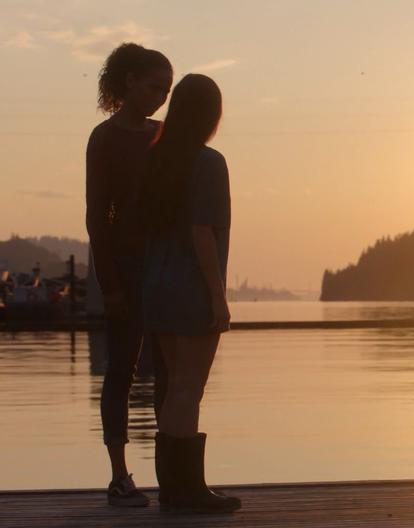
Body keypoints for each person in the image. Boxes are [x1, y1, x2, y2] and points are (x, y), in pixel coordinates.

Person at [141, 73, 240, 513]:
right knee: (187, 388)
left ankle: (174, 489)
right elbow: (203, 234)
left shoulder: (158, 158)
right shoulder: (208, 162)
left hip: (158, 286)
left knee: (175, 388)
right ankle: (188, 491)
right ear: (212, 114)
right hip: (191, 287)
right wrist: (218, 297)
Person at [86, 42, 172, 507]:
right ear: (129, 82)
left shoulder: (167, 135)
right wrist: (110, 284)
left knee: (169, 372)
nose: (161, 96)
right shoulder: (105, 138)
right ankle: (120, 476)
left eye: (167, 89)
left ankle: (175, 475)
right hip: (125, 265)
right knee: (121, 370)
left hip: (166, 267)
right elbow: (97, 217)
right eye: (154, 86)